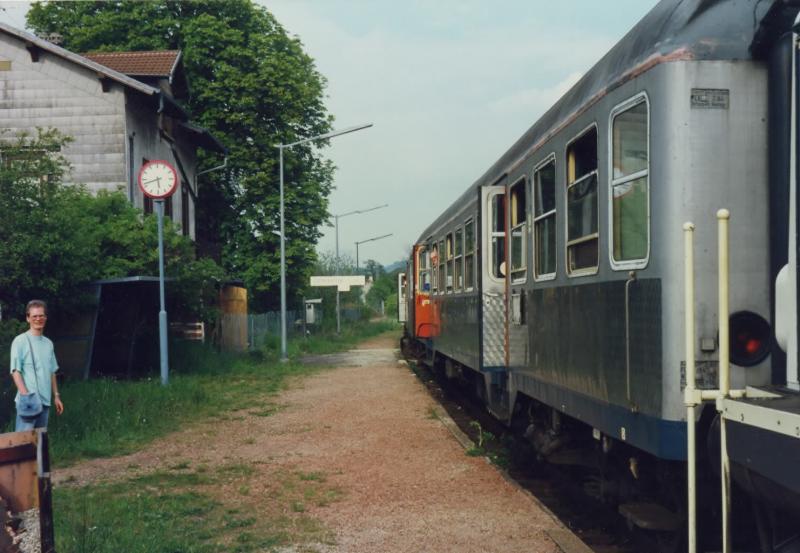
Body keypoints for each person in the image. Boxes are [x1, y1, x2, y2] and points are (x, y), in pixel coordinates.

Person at [10, 300, 64, 431]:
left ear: (46, 317)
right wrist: (26, 397)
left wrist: (56, 396)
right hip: (28, 403)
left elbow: (52, 371)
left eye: (41, 315)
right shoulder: (20, 341)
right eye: (34, 316)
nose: (38, 319)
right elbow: (15, 371)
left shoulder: (48, 343)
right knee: (23, 443)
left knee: (39, 444)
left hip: (45, 402)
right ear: (28, 318)